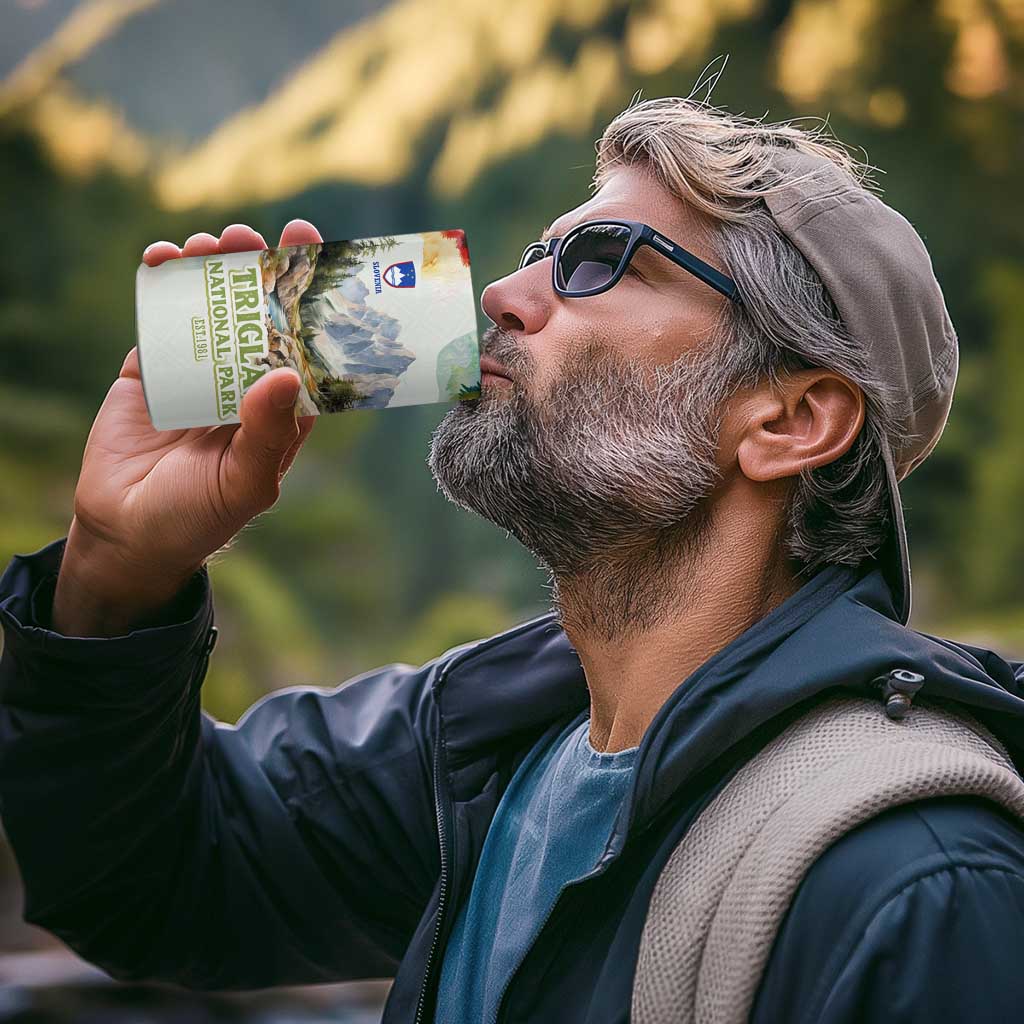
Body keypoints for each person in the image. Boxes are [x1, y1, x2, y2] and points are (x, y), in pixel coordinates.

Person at [2, 94, 1024, 1024]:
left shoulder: (918, 884)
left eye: (600, 261)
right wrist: (116, 572)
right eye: (540, 252)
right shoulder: (481, 748)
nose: (501, 291)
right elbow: (149, 880)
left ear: (790, 419)